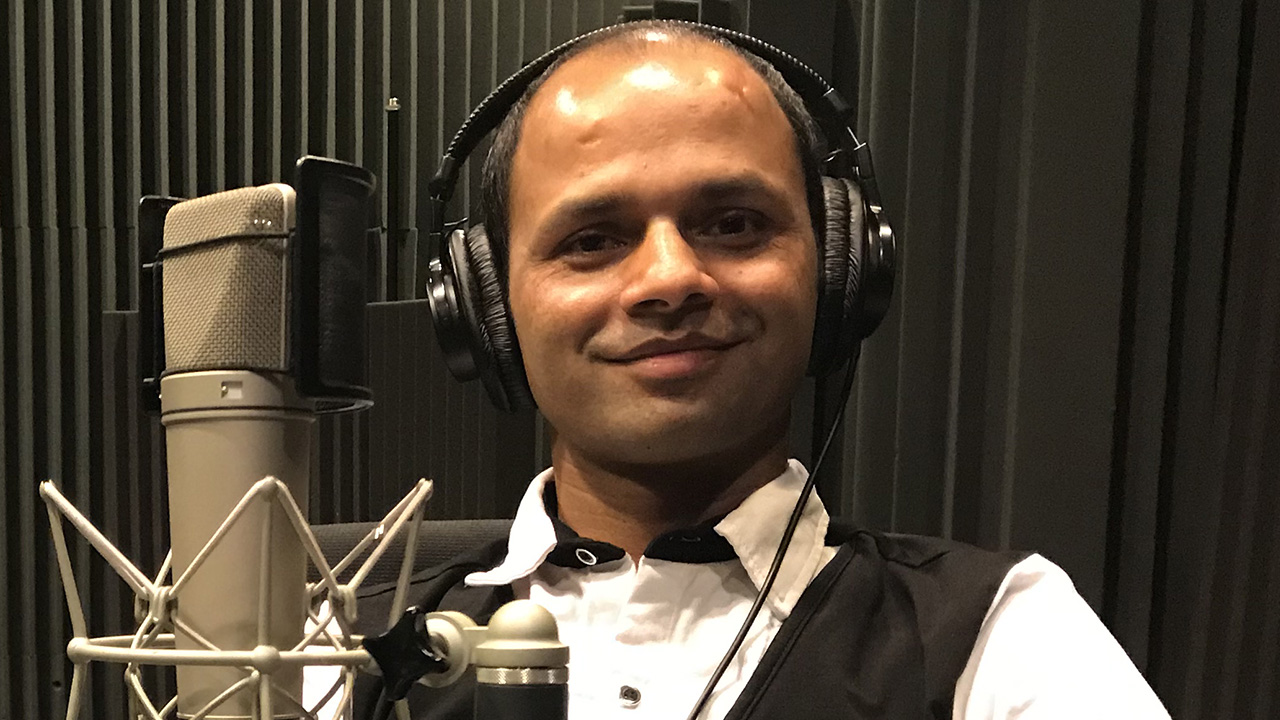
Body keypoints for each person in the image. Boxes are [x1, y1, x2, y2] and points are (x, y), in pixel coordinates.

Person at [346, 19, 1170, 720]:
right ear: (484, 306)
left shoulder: (1003, 637)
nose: (669, 279)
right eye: (592, 240)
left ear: (841, 270)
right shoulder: (345, 656)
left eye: (734, 224)